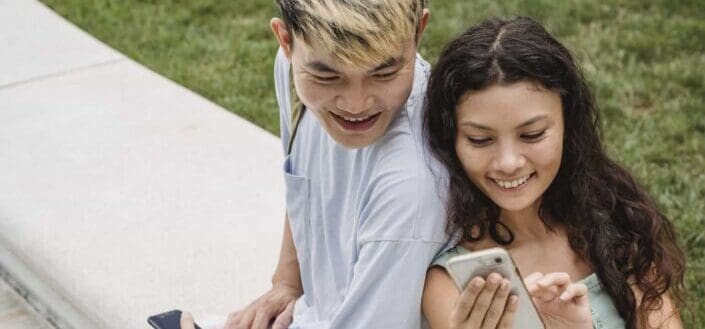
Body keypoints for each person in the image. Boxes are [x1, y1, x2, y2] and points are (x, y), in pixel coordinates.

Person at [183, 1, 449, 328]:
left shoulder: (412, 188)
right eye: (328, 75)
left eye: (384, 72)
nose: (356, 104)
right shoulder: (291, 70)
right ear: (286, 41)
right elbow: (303, 181)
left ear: (418, 32)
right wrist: (287, 283)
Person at [421, 17, 685, 329]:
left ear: (567, 127)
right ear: (451, 140)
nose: (508, 162)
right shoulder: (451, 282)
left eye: (531, 134)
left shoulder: (618, 223)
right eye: (480, 139)